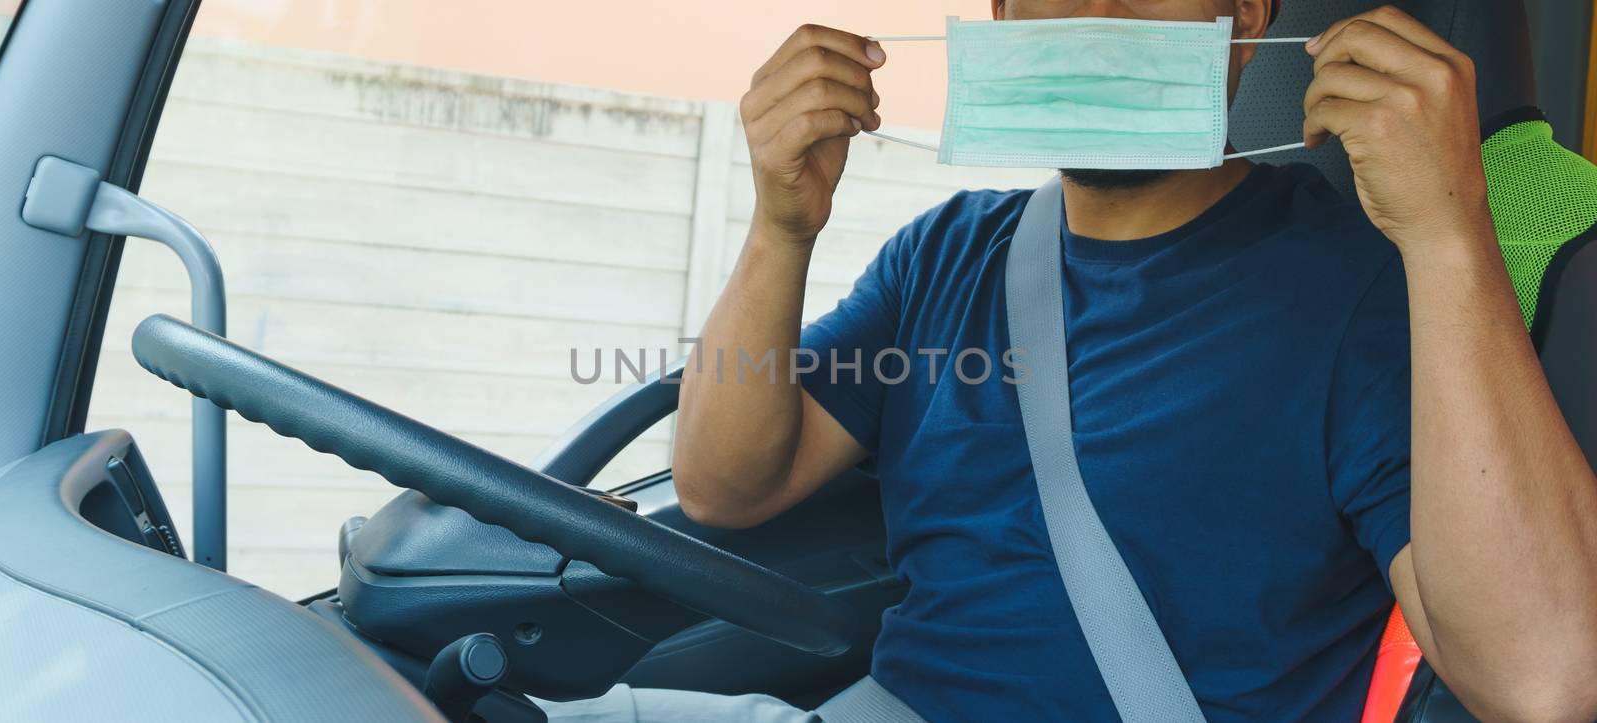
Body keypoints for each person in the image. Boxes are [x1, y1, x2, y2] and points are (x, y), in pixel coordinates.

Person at [542, 1, 1597, 721]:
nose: (1093, 13)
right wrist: (781, 227)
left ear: (1245, 16)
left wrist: (1447, 231)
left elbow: (1545, 680)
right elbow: (726, 485)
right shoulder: (943, 253)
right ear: (1001, 22)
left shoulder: (1365, 290)